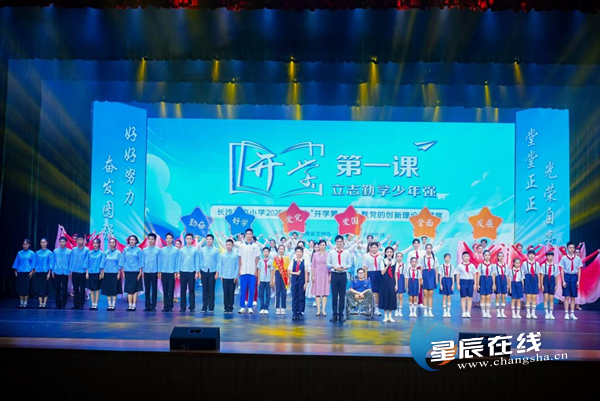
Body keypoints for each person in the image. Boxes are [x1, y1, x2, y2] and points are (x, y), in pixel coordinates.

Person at [327, 235, 351, 322]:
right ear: (335, 242)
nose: (339, 243)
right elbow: (328, 264)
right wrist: (335, 267)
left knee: (342, 295)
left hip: (343, 274)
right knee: (334, 295)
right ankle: (334, 314)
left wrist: (344, 267)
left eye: (341, 241)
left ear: (343, 242)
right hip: (334, 274)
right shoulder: (331, 252)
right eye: (338, 241)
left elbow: (350, 264)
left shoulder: (347, 252)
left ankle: (341, 314)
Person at [238, 228, 261, 314]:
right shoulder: (241, 246)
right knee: (243, 290)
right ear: (245, 235)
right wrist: (240, 269)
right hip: (243, 271)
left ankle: (250, 307)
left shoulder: (256, 246)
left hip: (252, 272)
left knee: (252, 290)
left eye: (250, 234)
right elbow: (240, 259)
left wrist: (256, 270)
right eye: (247, 234)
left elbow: (257, 259)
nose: (249, 235)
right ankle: (242, 307)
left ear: (252, 235)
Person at [119, 235, 144, 311]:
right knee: (129, 289)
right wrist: (123, 271)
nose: (132, 241)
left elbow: (141, 261)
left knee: (135, 289)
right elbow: (123, 260)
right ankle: (130, 305)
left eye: (133, 239)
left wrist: (140, 272)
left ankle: (134, 305)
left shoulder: (139, 250)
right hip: (127, 271)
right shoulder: (125, 249)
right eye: (130, 240)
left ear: (136, 241)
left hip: (136, 271)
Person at [559, 241, 583, 320]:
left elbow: (579, 269)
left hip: (574, 276)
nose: (572, 249)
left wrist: (578, 280)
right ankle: (566, 313)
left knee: (573, 296)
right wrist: (563, 280)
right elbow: (562, 269)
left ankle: (572, 313)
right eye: (570, 248)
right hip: (566, 276)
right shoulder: (564, 258)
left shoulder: (578, 258)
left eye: (573, 248)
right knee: (566, 296)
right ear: (567, 249)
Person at [199, 233, 220, 313]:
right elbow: (199, 260)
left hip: (213, 271)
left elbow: (218, 262)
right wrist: (199, 272)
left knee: (211, 290)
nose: (209, 240)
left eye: (210, 239)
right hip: (203, 271)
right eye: (207, 239)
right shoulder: (202, 250)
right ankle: (204, 307)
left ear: (213, 240)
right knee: (204, 289)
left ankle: (211, 307)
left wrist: (217, 272)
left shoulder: (216, 250)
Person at [179, 233, 200, 313]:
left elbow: (197, 261)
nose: (189, 240)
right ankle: (183, 307)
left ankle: (192, 307)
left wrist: (197, 272)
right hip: (183, 272)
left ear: (192, 240)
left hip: (192, 272)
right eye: (187, 238)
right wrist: (178, 272)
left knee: (191, 290)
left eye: (190, 238)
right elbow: (179, 261)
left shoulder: (195, 250)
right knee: (183, 290)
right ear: (185, 239)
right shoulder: (181, 250)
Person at [158, 233, 179, 312]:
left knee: (171, 289)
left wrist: (176, 272)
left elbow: (177, 261)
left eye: (170, 238)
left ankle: (170, 306)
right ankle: (165, 306)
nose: (169, 239)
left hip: (172, 272)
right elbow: (160, 261)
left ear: (172, 239)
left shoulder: (176, 250)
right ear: (165, 239)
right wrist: (159, 271)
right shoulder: (162, 250)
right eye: (167, 238)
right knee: (165, 289)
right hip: (164, 272)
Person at [216, 238, 238, 314]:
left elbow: (237, 266)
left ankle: (231, 306)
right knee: (225, 292)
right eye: (227, 245)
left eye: (230, 245)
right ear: (225, 245)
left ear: (232, 245)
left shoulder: (235, 255)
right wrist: (221, 275)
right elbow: (220, 265)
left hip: (232, 276)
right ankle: (226, 307)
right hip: (224, 276)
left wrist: (235, 276)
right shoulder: (222, 255)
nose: (228, 246)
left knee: (231, 292)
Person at [13, 239, 36, 308]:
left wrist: (32, 271)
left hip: (28, 272)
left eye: (26, 244)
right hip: (20, 271)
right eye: (24, 244)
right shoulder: (19, 253)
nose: (25, 245)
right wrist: (15, 271)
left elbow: (33, 263)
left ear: (29, 245)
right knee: (20, 287)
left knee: (26, 288)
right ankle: (21, 302)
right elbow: (16, 262)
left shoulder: (32, 253)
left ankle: (25, 302)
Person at [69, 235, 90, 310]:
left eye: (81, 240)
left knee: (82, 288)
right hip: (74, 271)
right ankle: (75, 304)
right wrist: (70, 270)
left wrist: (87, 271)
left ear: (84, 241)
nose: (79, 241)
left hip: (82, 271)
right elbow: (71, 260)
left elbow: (87, 261)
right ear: (76, 241)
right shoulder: (73, 250)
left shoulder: (86, 250)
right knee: (75, 288)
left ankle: (81, 304)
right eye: (78, 240)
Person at [363, 242, 383, 316]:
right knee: (370, 291)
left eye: (375, 247)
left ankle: (376, 308)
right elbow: (365, 268)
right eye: (373, 247)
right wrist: (365, 278)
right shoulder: (367, 257)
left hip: (378, 274)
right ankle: (369, 307)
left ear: (378, 248)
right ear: (370, 248)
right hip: (370, 274)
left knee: (377, 292)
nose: (374, 249)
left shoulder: (380, 257)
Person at [101, 238, 122, 311]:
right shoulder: (106, 252)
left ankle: (113, 305)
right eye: (110, 242)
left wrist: (119, 273)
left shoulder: (118, 253)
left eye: (113, 242)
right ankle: (109, 304)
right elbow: (103, 262)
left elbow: (120, 263)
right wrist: (102, 272)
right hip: (107, 273)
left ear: (115, 243)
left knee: (114, 289)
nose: (111, 244)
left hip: (115, 273)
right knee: (108, 290)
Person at [379, 246, 398, 323]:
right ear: (385, 253)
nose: (389, 253)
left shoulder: (395, 262)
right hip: (384, 281)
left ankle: (390, 316)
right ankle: (385, 316)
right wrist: (387, 265)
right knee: (385, 297)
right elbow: (382, 272)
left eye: (391, 252)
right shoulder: (382, 261)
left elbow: (395, 274)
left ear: (393, 253)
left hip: (392, 281)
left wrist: (396, 284)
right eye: (388, 252)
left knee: (391, 297)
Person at [311, 239, 330, 316]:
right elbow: (313, 266)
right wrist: (313, 275)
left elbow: (330, 266)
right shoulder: (315, 254)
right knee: (317, 293)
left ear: (325, 246)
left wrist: (330, 276)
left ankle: (323, 310)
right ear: (318, 246)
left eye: (323, 245)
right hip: (317, 274)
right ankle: (318, 310)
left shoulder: (328, 254)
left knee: (325, 293)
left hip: (325, 274)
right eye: (321, 245)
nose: (322, 246)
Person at [289, 246, 308, 321]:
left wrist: (305, 283)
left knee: (301, 297)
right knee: (294, 297)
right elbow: (289, 271)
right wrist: (295, 273)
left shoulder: (305, 262)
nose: (299, 253)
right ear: (295, 253)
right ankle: (294, 313)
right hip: (294, 281)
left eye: (300, 252)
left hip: (301, 281)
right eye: (297, 252)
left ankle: (300, 312)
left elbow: (306, 273)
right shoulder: (293, 261)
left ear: (302, 253)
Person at [52, 236, 71, 309]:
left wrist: (70, 271)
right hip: (57, 271)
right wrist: (53, 271)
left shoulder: (69, 251)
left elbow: (70, 262)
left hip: (66, 272)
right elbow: (53, 261)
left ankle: (63, 304)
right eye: (61, 242)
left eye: (63, 242)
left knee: (64, 289)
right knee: (57, 288)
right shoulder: (55, 251)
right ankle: (57, 303)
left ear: (66, 242)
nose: (62, 243)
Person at [34, 238, 53, 308]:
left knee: (46, 288)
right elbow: (35, 262)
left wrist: (49, 273)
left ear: (47, 243)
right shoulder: (37, 253)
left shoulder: (49, 253)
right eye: (41, 242)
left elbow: (50, 263)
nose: (43, 244)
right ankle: (40, 303)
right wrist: (34, 270)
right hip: (38, 272)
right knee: (39, 287)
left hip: (46, 272)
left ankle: (44, 303)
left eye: (44, 242)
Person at [86, 238, 105, 310]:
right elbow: (87, 263)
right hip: (91, 272)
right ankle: (92, 304)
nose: (95, 244)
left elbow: (102, 263)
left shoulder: (101, 253)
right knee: (91, 289)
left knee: (97, 289)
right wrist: (87, 273)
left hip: (98, 272)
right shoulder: (89, 253)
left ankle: (96, 304)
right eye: (94, 243)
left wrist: (101, 273)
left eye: (96, 243)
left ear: (99, 244)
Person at [143, 233, 160, 312]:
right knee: (147, 290)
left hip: (154, 271)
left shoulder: (158, 250)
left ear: (155, 240)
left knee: (154, 290)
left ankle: (153, 306)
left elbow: (159, 261)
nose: (150, 240)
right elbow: (143, 261)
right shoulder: (144, 250)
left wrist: (159, 271)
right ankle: (147, 306)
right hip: (146, 271)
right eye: (149, 239)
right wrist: (142, 271)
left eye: (152, 239)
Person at [420, 243, 438, 317]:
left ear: (432, 249)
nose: (429, 249)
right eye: (427, 248)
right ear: (425, 249)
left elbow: (436, 269)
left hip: (432, 274)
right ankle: (425, 311)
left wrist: (436, 279)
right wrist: (421, 278)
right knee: (425, 293)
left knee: (430, 294)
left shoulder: (434, 258)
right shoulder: (423, 258)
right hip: (425, 274)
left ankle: (430, 311)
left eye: (430, 248)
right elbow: (421, 268)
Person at [539, 251, 559, 320]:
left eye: (552, 256)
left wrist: (556, 285)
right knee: (545, 297)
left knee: (551, 298)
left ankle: (551, 313)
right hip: (545, 280)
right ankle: (546, 313)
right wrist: (542, 285)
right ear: (546, 257)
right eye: (549, 256)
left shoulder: (555, 266)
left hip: (552, 280)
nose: (550, 257)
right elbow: (542, 275)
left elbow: (556, 276)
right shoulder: (543, 265)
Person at [457, 251, 476, 318]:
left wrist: (475, 284)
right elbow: (458, 275)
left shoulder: (472, 265)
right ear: (462, 257)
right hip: (463, 281)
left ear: (469, 257)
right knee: (463, 297)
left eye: (467, 256)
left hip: (470, 281)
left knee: (469, 298)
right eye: (464, 256)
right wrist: (458, 284)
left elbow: (474, 274)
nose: (466, 258)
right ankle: (463, 312)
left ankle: (468, 312)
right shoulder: (459, 266)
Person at [257, 247, 275, 314]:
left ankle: (266, 307)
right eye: (264, 252)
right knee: (261, 294)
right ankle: (262, 307)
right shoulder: (260, 261)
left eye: (267, 252)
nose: (265, 253)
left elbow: (272, 271)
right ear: (262, 253)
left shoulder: (271, 261)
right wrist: (258, 280)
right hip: (261, 280)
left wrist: (272, 280)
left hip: (268, 280)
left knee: (268, 294)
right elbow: (259, 270)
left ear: (269, 252)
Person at [523, 249, 541, 319]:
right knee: (528, 296)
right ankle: (528, 313)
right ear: (528, 255)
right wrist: (523, 283)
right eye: (530, 254)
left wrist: (539, 282)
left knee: (534, 297)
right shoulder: (525, 263)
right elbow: (522, 273)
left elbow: (538, 273)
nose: (531, 256)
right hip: (527, 278)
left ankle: (533, 313)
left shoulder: (537, 264)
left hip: (535, 279)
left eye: (533, 254)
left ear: (534, 255)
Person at [477, 250, 495, 318]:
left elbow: (493, 275)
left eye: (488, 255)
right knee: (482, 297)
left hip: (489, 279)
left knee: (488, 297)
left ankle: (487, 312)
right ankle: (483, 312)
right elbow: (478, 274)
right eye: (486, 255)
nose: (487, 256)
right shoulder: (480, 265)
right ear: (483, 256)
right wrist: (478, 284)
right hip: (483, 279)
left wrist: (494, 284)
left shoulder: (492, 265)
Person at [273, 244, 290, 315]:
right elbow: (274, 268)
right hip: (277, 274)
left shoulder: (287, 258)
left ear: (284, 250)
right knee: (277, 292)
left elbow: (288, 269)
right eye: (280, 249)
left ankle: (283, 308)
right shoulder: (275, 258)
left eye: (282, 249)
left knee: (284, 292)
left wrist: (288, 278)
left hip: (285, 275)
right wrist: (273, 278)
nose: (281, 250)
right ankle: (277, 308)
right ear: (278, 250)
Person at [438, 253, 456, 318]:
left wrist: (453, 284)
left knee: (449, 296)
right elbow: (440, 275)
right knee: (444, 296)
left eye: (448, 257)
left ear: (450, 258)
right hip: (444, 280)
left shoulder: (452, 266)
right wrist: (440, 284)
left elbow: (453, 276)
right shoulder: (441, 266)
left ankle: (448, 311)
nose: (447, 259)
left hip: (450, 280)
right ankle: (444, 311)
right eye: (446, 257)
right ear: (444, 258)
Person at [492, 251, 508, 318]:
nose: (501, 257)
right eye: (499, 256)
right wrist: (494, 284)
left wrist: (507, 284)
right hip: (498, 279)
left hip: (504, 279)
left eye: (502, 256)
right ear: (497, 257)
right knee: (498, 296)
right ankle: (498, 312)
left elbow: (507, 275)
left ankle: (502, 312)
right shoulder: (494, 265)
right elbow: (493, 275)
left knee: (503, 296)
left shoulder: (506, 266)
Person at [395, 252, 406, 317]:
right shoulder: (394, 264)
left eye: (400, 257)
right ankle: (396, 310)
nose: (399, 258)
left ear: (402, 258)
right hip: (395, 279)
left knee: (401, 296)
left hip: (401, 279)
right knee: (396, 296)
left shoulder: (404, 265)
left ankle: (400, 311)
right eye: (398, 256)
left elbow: (405, 274)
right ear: (396, 257)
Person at [174, 238, 183, 303]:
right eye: (176, 244)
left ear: (180, 245)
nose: (177, 245)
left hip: (180, 270)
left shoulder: (182, 252)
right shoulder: (173, 251)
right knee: (172, 284)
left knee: (178, 285)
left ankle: (176, 297)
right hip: (172, 270)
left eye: (178, 244)